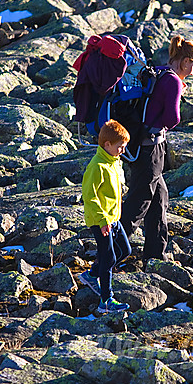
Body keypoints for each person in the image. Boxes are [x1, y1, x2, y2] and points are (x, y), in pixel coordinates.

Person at [120, 35, 193, 260]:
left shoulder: (157, 71)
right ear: (185, 61)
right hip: (151, 148)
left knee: (160, 196)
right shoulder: (174, 80)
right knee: (140, 201)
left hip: (138, 143)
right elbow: (173, 118)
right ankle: (108, 255)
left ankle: (155, 254)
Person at [80, 119, 133, 313]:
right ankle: (106, 301)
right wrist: (102, 221)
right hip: (100, 221)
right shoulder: (97, 166)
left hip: (114, 219)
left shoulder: (113, 162)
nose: (123, 150)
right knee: (108, 257)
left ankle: (92, 274)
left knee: (125, 251)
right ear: (107, 145)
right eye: (120, 147)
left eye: (125, 147)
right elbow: (89, 195)